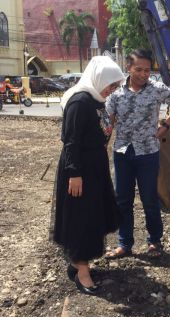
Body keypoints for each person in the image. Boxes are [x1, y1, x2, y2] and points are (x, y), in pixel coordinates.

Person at [52, 56, 125, 295]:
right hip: (80, 170)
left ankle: (78, 264)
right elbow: (71, 140)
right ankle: (82, 274)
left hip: (94, 168)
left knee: (91, 216)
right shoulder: (79, 101)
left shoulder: (95, 100)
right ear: (98, 78)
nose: (112, 90)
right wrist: (74, 173)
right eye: (110, 84)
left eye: (115, 86)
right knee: (80, 219)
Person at [104, 49, 170, 259]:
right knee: (123, 199)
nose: (143, 74)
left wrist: (165, 126)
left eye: (147, 70)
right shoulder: (116, 94)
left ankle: (154, 241)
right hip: (122, 152)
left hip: (148, 152)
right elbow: (108, 123)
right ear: (128, 68)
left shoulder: (157, 89)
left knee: (150, 199)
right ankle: (124, 243)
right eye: (138, 69)